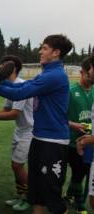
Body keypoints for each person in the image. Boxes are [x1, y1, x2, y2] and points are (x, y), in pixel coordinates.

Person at [0, 34, 73, 214]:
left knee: (52, 197)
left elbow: (20, 93)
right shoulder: (48, 73)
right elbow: (19, 87)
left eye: (44, 48)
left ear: (56, 52)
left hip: (53, 142)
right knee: (36, 193)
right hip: (39, 138)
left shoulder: (55, 75)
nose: (40, 51)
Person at [0, 55, 33, 212]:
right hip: (20, 130)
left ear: (12, 68)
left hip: (29, 131)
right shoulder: (11, 85)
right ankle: (21, 195)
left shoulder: (20, 85)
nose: (0, 69)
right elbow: (6, 109)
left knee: (17, 165)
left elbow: (14, 114)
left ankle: (31, 198)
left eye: (4, 66)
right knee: (16, 167)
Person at [64, 57, 94, 214]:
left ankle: (69, 195)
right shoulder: (70, 91)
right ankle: (80, 204)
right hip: (73, 141)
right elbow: (59, 116)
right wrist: (73, 124)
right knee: (78, 173)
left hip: (91, 141)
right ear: (82, 72)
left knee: (87, 173)